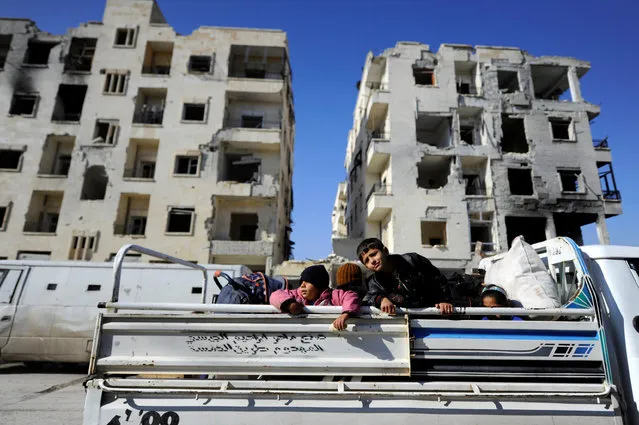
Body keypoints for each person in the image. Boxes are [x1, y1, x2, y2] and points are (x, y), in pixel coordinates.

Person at [356, 238, 454, 315]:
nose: (372, 261)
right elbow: (370, 298)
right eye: (367, 261)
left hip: (436, 312)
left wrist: (443, 300)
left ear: (385, 251)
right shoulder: (373, 282)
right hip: (412, 319)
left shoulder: (412, 261)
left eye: (373, 254)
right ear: (366, 267)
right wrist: (382, 299)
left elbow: (437, 279)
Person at [270, 265, 360, 330]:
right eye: (301, 282)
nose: (302, 285)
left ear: (319, 285)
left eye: (308, 281)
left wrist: (346, 314)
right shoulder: (295, 295)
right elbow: (275, 295)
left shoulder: (333, 295)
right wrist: (290, 304)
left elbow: (351, 296)